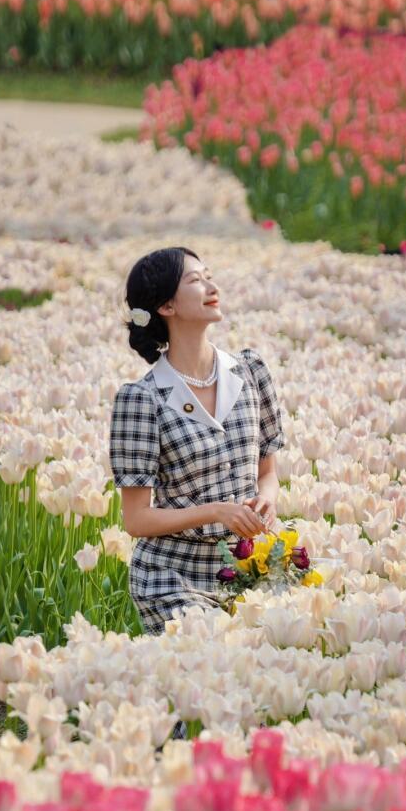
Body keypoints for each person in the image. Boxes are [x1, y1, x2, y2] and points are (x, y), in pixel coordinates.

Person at [109, 245, 287, 638]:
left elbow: (269, 472)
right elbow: (136, 519)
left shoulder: (251, 371)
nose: (212, 286)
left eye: (209, 275)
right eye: (196, 280)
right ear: (166, 306)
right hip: (173, 577)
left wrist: (267, 501)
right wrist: (217, 512)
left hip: (249, 565)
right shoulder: (142, 399)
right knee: (208, 657)